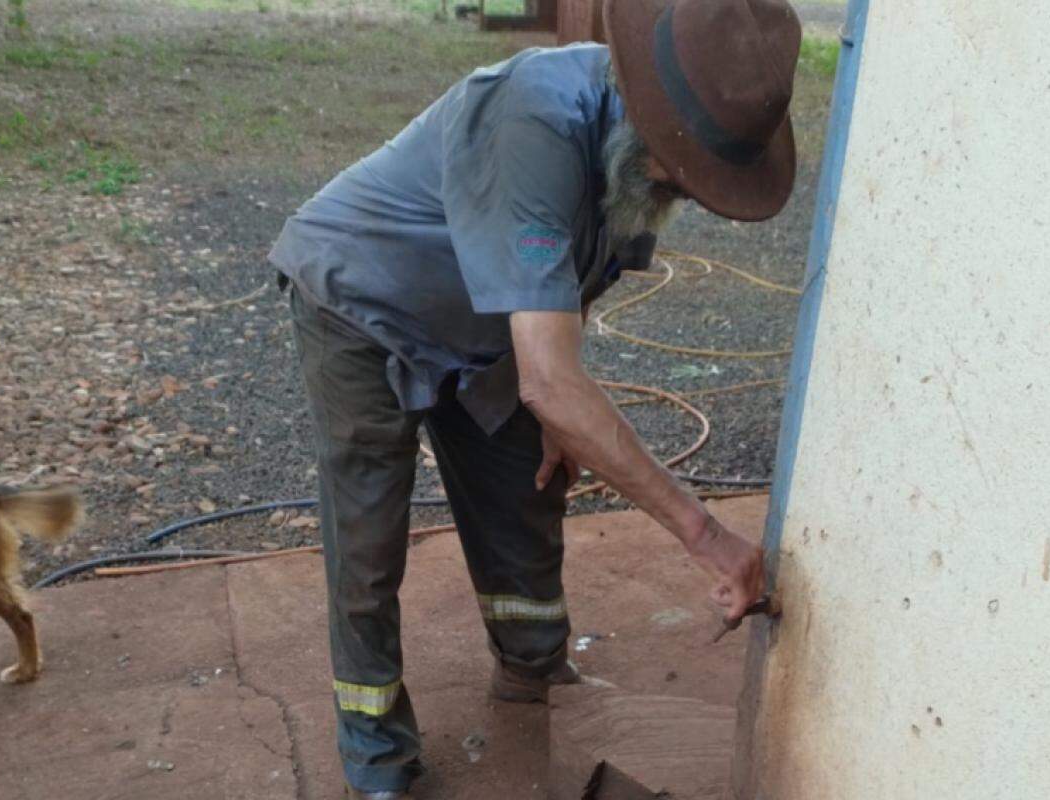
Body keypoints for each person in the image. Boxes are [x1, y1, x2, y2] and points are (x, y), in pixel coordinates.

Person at [268, 0, 802, 796]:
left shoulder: (638, 165)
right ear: (640, 106)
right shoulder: (530, 121)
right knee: (369, 534)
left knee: (531, 484)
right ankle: (374, 746)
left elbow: (585, 278)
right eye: (673, 166)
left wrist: (559, 415)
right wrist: (705, 535)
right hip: (364, 301)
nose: (677, 188)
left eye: (692, 178)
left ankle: (532, 664)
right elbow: (549, 378)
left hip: (490, 320)